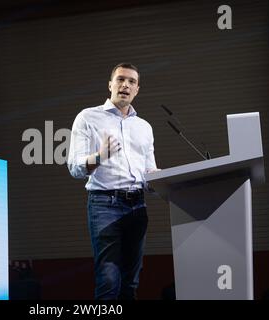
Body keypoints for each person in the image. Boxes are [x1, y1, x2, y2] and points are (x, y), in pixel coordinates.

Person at [67, 62, 159, 300]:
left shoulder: (144, 127)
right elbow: (75, 168)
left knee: (131, 283)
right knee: (109, 281)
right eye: (120, 79)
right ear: (110, 85)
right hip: (104, 206)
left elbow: (148, 171)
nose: (125, 85)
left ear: (137, 89)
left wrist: (161, 179)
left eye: (131, 81)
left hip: (137, 206)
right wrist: (100, 156)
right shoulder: (88, 117)